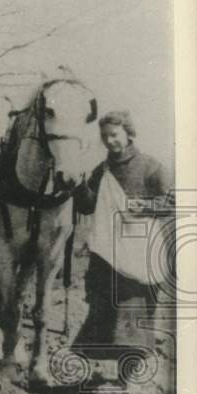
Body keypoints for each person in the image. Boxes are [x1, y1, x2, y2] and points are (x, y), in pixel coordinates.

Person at [72, 110, 172, 360]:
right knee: (105, 308)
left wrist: (145, 206)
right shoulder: (101, 170)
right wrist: (79, 186)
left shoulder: (150, 166)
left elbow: (172, 202)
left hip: (140, 252)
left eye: (114, 135)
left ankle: (127, 372)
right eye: (104, 136)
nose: (109, 141)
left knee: (134, 308)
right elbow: (87, 206)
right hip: (108, 252)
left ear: (128, 133)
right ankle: (104, 365)